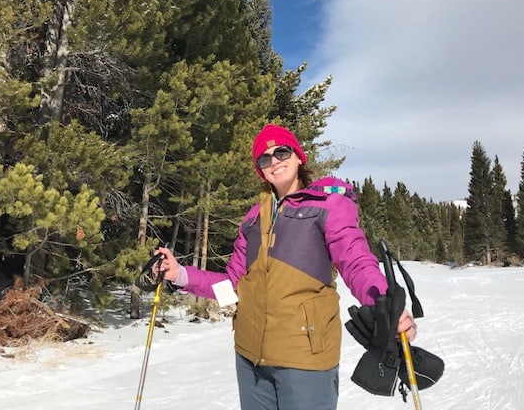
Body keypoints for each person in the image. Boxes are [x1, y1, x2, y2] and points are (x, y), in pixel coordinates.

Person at [155, 123, 417, 410]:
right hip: (250, 359)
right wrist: (179, 274)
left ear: (298, 156)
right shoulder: (253, 220)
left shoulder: (329, 205)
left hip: (304, 357)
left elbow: (356, 261)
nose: (274, 161)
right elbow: (232, 286)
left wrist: (383, 302)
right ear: (261, 170)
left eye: (281, 151)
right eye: (265, 158)